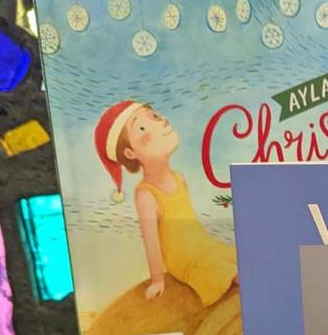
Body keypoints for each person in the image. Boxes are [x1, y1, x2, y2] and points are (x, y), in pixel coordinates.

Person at [94, 100, 237, 306]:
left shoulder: (179, 177)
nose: (161, 121)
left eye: (153, 116)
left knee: (244, 260)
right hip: (188, 261)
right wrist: (157, 279)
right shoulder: (146, 195)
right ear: (130, 153)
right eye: (142, 127)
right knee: (231, 276)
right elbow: (151, 241)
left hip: (207, 246)